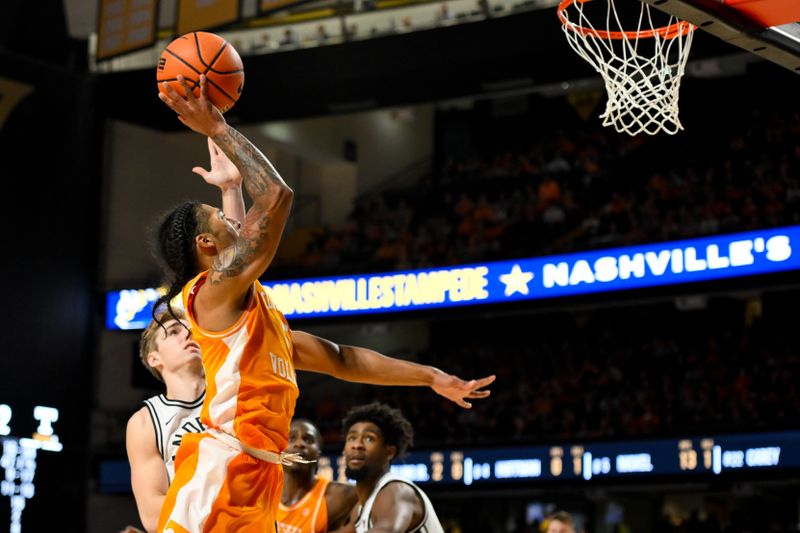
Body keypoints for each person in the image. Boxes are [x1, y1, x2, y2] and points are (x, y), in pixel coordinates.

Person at [155, 75, 495, 533]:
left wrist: (430, 377)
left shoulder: (255, 321)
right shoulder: (207, 295)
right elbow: (276, 198)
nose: (232, 219)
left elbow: (342, 359)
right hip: (219, 473)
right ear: (205, 242)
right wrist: (218, 129)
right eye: (220, 217)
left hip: (257, 476)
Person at [125, 309, 206, 533]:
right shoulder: (146, 421)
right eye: (173, 332)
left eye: (190, 330)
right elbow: (153, 515)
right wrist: (222, 504)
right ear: (155, 358)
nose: (187, 335)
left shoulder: (231, 393)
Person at [341, 402, 444, 533]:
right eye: (352, 438)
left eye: (368, 439)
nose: (357, 445)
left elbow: (387, 530)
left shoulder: (397, 491)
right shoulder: (360, 509)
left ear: (389, 452)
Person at [277, 420, 357, 533]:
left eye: (308, 440)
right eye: (292, 438)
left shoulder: (337, 495)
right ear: (280, 450)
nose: (299, 444)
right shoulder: (265, 489)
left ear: (318, 454)